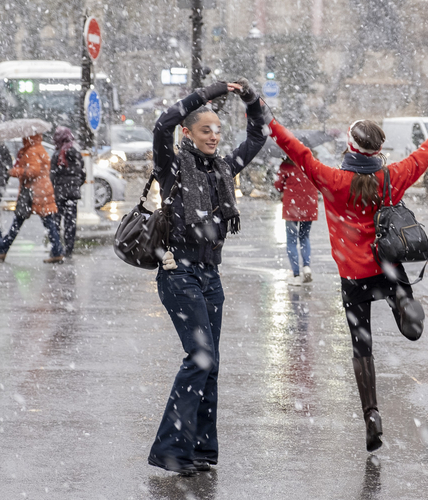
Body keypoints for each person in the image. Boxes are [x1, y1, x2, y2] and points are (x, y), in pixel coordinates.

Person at [267, 98, 428, 452]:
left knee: (361, 348)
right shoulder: (392, 177)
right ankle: (405, 308)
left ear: (351, 147)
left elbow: (298, 151)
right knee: (402, 299)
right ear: (378, 150)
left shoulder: (333, 180)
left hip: (353, 279)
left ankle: (371, 414)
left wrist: (267, 118)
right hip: (387, 267)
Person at [148, 78, 266, 475]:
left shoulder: (222, 168)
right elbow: (162, 124)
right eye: (205, 130)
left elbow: (258, 136)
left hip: (210, 275)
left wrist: (249, 98)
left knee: (210, 363)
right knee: (200, 358)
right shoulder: (171, 165)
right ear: (189, 133)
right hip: (177, 271)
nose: (214, 137)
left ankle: (200, 449)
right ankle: (169, 450)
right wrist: (211, 92)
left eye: (217, 130)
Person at [0, 133, 64, 264]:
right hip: (40, 190)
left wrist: (15, 171)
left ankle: (2, 250)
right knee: (46, 222)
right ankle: (57, 251)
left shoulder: (32, 151)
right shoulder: (38, 148)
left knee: (18, 222)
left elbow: (33, 171)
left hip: (33, 192)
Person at [274, 156, 319, 285]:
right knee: (305, 237)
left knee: (291, 240)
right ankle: (306, 267)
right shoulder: (311, 162)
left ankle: (296, 275)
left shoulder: (286, 165)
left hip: (292, 208)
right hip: (308, 205)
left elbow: (278, 186)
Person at [50, 126, 86, 258]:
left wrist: (55, 188)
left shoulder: (57, 154)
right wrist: (75, 186)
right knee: (70, 223)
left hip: (59, 194)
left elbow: (52, 176)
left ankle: (57, 248)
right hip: (72, 194)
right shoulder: (76, 152)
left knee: (56, 222)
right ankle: (69, 249)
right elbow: (82, 173)